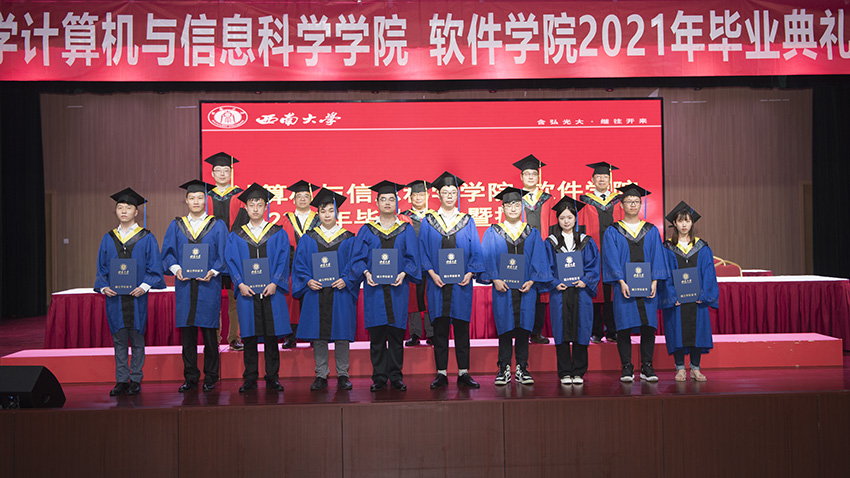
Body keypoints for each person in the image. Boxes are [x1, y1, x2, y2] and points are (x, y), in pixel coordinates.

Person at [351, 181, 421, 391]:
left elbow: (413, 258)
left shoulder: (406, 229)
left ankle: (396, 376)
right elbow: (357, 258)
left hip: (398, 289)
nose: (388, 203)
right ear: (377, 202)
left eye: (391, 199)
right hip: (374, 291)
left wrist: (403, 273)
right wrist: (366, 273)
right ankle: (379, 377)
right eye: (383, 199)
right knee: (377, 337)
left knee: (397, 336)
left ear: (397, 202)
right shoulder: (367, 230)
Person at [94, 188, 165, 396]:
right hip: (115, 298)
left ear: (136, 212)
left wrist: (144, 286)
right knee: (118, 339)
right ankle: (121, 380)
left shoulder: (146, 237)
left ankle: (135, 378)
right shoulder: (108, 238)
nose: (124, 211)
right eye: (120, 207)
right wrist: (103, 286)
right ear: (116, 211)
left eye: (128, 207)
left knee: (137, 339)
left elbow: (155, 267)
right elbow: (101, 268)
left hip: (137, 297)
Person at [418, 171, 484, 389]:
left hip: (461, 285)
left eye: (453, 192)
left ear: (457, 195)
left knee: (462, 329)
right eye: (445, 192)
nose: (449, 196)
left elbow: (476, 250)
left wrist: (470, 273)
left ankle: (464, 372)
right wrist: (431, 273)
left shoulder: (467, 221)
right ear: (438, 195)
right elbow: (422, 251)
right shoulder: (429, 221)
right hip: (437, 284)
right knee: (440, 329)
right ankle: (441, 373)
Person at [161, 180, 229, 392]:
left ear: (205, 200)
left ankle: (211, 376)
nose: (196, 201)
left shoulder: (217, 225)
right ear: (186, 200)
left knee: (210, 335)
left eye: (200, 197)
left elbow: (224, 254)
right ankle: (190, 377)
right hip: (185, 287)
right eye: (192, 198)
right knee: (188, 336)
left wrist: (213, 271)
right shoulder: (177, 225)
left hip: (208, 286)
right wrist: (176, 269)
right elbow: (168, 253)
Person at [480, 187, 552, 386]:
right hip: (502, 289)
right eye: (509, 205)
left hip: (526, 288)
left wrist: (532, 280)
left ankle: (522, 367)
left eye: (517, 205)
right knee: (504, 328)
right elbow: (487, 257)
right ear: (502, 208)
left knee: (523, 328)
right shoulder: (493, 231)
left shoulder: (532, 232)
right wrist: (495, 279)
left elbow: (539, 258)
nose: (513, 208)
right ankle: (503, 368)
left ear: (522, 207)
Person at [225, 183, 290, 393]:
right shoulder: (236, 235)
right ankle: (250, 377)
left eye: (259, 204)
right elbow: (231, 260)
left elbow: (283, 259)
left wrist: (275, 282)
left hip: (271, 291)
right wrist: (240, 283)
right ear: (245, 207)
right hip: (247, 292)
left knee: (271, 336)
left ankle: (272, 377)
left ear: (265, 207)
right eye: (251, 205)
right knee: (249, 336)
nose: (255, 208)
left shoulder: (277, 233)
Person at [292, 188, 359, 391]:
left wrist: (346, 279)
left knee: (341, 334)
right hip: (316, 291)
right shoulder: (308, 238)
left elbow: (355, 263)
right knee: (318, 335)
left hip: (340, 292)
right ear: (318, 214)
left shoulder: (348, 237)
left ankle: (343, 373)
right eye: (323, 211)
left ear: (337, 212)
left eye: (331, 210)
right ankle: (321, 374)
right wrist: (307, 281)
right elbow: (299, 264)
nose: (327, 215)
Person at [601, 183, 668, 383]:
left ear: (640, 205)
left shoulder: (651, 230)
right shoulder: (613, 231)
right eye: (629, 201)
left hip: (648, 287)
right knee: (623, 328)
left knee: (649, 326)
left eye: (636, 201)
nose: (633, 204)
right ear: (621, 205)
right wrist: (621, 281)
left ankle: (647, 366)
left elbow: (657, 256)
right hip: (624, 287)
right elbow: (611, 258)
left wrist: (655, 281)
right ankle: (627, 367)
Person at [658, 201, 719, 382]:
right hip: (677, 300)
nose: (684, 224)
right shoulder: (667, 248)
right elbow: (664, 274)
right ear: (674, 223)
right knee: (676, 331)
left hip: (697, 300)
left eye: (687, 221)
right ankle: (679, 368)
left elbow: (709, 273)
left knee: (697, 332)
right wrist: (671, 296)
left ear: (692, 223)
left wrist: (704, 295)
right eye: (680, 221)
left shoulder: (703, 248)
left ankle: (695, 368)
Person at [544, 197, 600, 385]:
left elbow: (594, 266)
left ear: (575, 218)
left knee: (581, 328)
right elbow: (545, 266)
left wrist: (585, 281)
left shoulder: (586, 241)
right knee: (561, 330)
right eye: (562, 218)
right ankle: (564, 372)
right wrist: (554, 282)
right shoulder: (550, 242)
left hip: (580, 292)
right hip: (559, 293)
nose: (566, 221)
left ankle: (579, 372)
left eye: (569, 217)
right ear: (557, 220)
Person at [205, 151, 248, 351]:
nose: (222, 174)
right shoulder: (205, 197)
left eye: (226, 170)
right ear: (212, 173)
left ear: (231, 173)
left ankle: (234, 337)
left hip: (234, 254)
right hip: (211, 255)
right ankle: (214, 337)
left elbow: (244, 225)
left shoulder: (240, 196)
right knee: (212, 298)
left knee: (234, 298)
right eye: (218, 170)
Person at [578, 162, 624, 345]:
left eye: (605, 176)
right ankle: (596, 331)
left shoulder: (618, 201)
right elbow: (581, 226)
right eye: (598, 176)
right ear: (592, 179)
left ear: (609, 179)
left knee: (613, 290)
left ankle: (613, 330)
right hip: (593, 251)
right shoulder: (585, 201)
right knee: (595, 288)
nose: (602, 179)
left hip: (614, 253)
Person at [513, 154, 553, 345]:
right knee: (519, 288)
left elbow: (553, 224)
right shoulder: (514, 199)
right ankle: (520, 330)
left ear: (538, 177)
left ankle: (536, 332)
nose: (530, 177)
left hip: (542, 249)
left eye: (533, 174)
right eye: (527, 174)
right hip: (519, 249)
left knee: (540, 289)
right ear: (521, 177)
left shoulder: (548, 199)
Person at [280, 180, 322, 349]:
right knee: (291, 302)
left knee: (312, 300)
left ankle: (313, 335)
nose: (303, 199)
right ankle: (290, 336)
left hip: (314, 267)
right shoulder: (286, 220)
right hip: (291, 267)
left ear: (311, 198)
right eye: (299, 196)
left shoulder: (319, 219)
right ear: (294, 199)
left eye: (306, 196)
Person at [401, 180, 435, 346]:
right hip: (412, 263)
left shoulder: (435, 217)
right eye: (415, 195)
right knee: (412, 300)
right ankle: (415, 333)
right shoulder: (403, 217)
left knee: (430, 298)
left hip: (431, 264)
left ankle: (432, 333)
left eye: (422, 194)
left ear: (427, 196)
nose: (419, 197)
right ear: (410, 197)